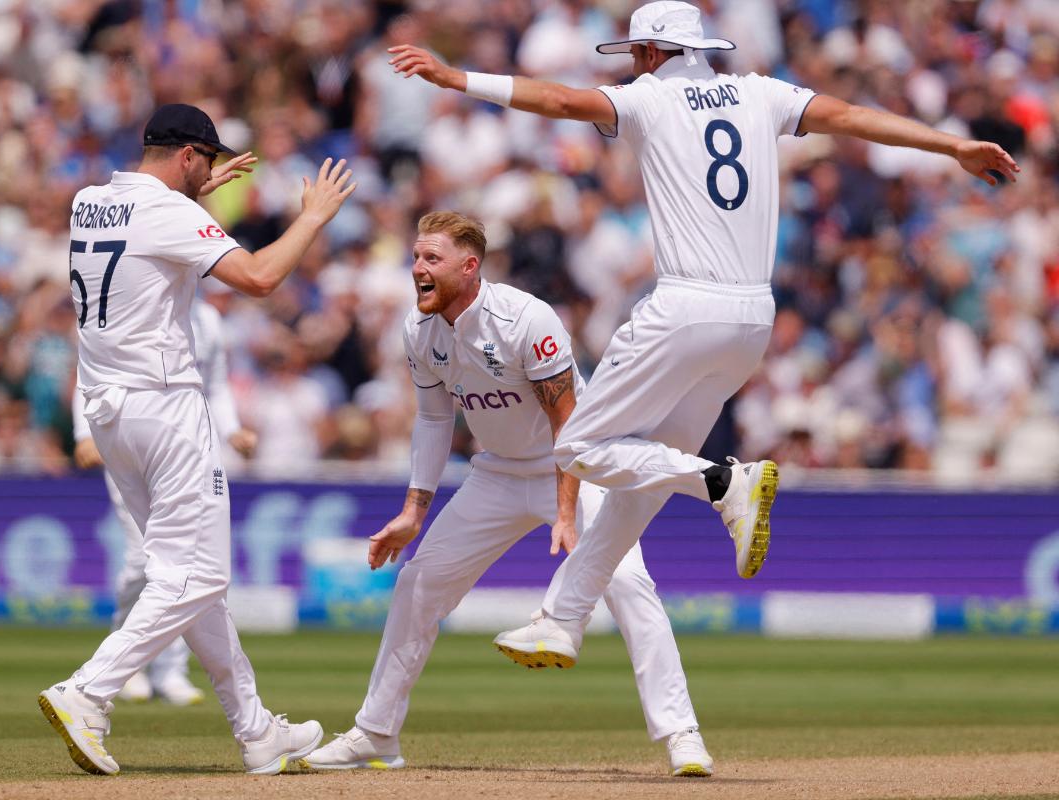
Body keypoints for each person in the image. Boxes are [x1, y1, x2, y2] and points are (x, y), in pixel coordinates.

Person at [387, 0, 1019, 667]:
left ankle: (724, 481)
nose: (633, 64)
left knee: (575, 448)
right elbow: (851, 117)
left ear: (654, 52)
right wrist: (950, 145)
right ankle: (562, 617)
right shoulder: (761, 93)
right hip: (753, 318)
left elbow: (563, 102)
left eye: (636, 54)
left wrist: (460, 81)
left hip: (683, 308)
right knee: (643, 482)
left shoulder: (649, 100)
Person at [302, 212, 714, 777]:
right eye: (416, 257)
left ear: (470, 267)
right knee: (419, 584)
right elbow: (431, 421)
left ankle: (681, 734)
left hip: (573, 468)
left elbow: (570, 423)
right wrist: (411, 511)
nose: (417, 269)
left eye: (432, 259)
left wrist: (565, 511)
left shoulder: (526, 318)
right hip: (495, 475)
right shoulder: (419, 331)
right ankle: (376, 733)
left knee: (626, 581)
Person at [38, 103, 356, 776]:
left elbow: (148, 226)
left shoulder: (90, 201)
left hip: (109, 413)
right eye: (206, 162)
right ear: (188, 156)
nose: (213, 173)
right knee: (199, 573)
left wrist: (194, 200)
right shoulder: (172, 215)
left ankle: (258, 730)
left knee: (186, 578)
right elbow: (261, 279)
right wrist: (313, 217)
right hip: (165, 408)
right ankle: (88, 692)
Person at [72, 296, 258, 706]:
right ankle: (128, 664)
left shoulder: (207, 319)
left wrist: (232, 431)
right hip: (135, 439)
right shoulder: (138, 299)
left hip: (190, 444)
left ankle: (170, 670)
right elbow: (92, 369)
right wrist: (81, 433)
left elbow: (217, 386)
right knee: (144, 560)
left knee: (185, 563)